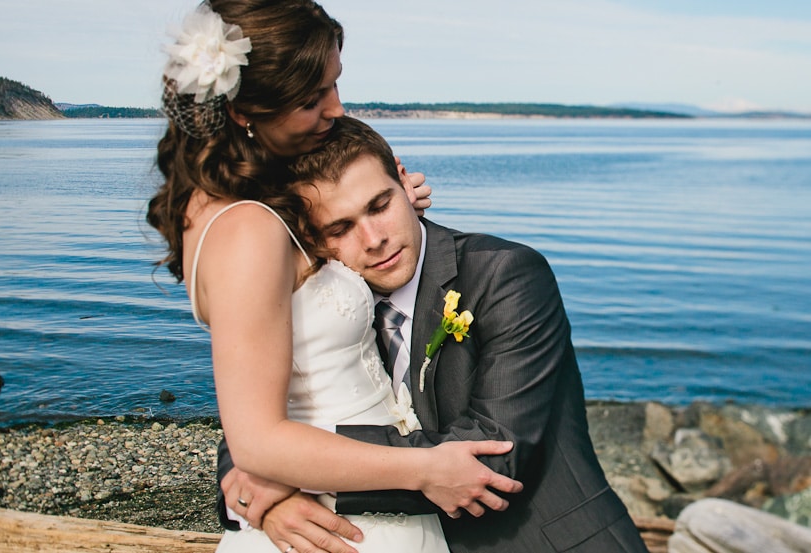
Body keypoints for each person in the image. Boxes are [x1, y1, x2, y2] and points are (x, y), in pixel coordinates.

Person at [146, 2, 522, 553]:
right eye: (311, 98)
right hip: (354, 528)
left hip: (337, 500)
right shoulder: (250, 230)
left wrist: (384, 211)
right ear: (246, 110)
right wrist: (422, 469)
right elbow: (257, 440)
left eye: (334, 85)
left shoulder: (216, 210)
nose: (336, 108)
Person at [217, 116, 651, 553]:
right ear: (311, 237)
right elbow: (254, 426)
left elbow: (496, 455)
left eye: (379, 205)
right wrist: (266, 499)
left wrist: (300, 473)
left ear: (405, 182)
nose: (373, 240)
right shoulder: (325, 302)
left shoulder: (507, 274)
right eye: (340, 228)